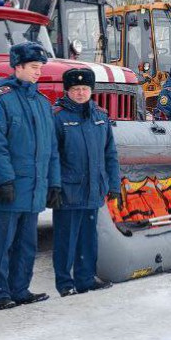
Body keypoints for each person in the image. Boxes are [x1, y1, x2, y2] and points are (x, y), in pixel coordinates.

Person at [0, 41, 60, 311]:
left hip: (34, 187)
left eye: (40, 67)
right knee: (2, 244)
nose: (38, 72)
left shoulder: (42, 103)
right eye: (34, 67)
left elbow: (51, 149)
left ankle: (20, 289)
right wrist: (4, 180)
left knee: (27, 244)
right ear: (18, 67)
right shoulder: (0, 99)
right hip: (10, 187)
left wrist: (53, 183)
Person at [51, 68, 121, 297]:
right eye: (76, 89)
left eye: (85, 89)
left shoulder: (100, 116)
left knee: (88, 238)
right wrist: (54, 185)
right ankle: (64, 283)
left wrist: (113, 185)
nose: (81, 93)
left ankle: (85, 278)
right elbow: (52, 156)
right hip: (68, 190)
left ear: (91, 90)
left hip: (93, 189)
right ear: (67, 91)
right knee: (65, 239)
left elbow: (110, 153)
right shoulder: (58, 117)